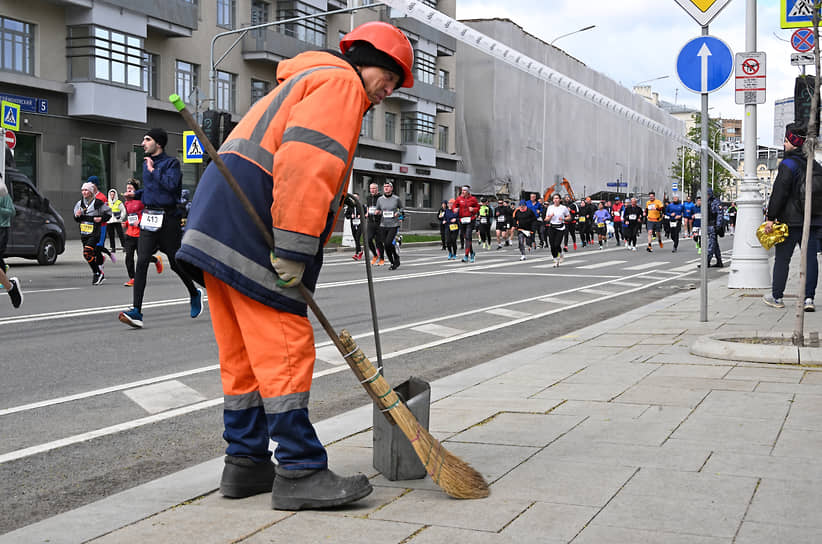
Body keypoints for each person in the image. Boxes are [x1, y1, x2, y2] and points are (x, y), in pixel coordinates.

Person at [175, 21, 414, 509]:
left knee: (243, 356)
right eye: (388, 76)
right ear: (364, 60)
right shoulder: (341, 84)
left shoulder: (304, 80)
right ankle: (300, 471)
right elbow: (306, 166)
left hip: (217, 221)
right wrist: (295, 247)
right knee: (285, 346)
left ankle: (244, 464)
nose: (388, 91)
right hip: (255, 224)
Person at [118, 128, 203, 329]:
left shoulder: (170, 163)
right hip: (149, 218)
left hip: (168, 219)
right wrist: (136, 195)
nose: (142, 143)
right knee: (142, 261)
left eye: (147, 140)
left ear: (159, 144)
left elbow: (172, 186)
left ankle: (193, 293)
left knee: (175, 262)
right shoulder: (147, 164)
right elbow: (151, 191)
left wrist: (153, 171)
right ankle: (136, 311)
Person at [763, 123, 821, 311]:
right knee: (810, 259)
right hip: (811, 221)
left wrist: (771, 217)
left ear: (793, 143)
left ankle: (777, 297)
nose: (784, 144)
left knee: (782, 259)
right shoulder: (815, 164)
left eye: (786, 141)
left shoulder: (787, 164)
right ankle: (809, 299)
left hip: (789, 221)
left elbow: (779, 192)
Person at [121, 179, 163, 286]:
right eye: (127, 189)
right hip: (130, 233)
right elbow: (131, 215)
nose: (128, 191)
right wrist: (126, 223)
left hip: (141, 232)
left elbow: (147, 213)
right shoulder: (126, 202)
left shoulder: (142, 200)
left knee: (142, 257)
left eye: (130, 188)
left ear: (135, 190)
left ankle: (156, 260)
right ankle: (133, 278)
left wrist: (139, 222)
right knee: (128, 257)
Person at [74, 182, 111, 285]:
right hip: (84, 232)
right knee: (88, 255)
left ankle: (97, 273)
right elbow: (76, 219)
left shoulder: (98, 203)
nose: (84, 192)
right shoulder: (79, 204)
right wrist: (77, 216)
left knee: (87, 252)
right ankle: (98, 272)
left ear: (91, 191)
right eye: (83, 190)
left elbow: (108, 214)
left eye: (86, 190)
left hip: (95, 232)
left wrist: (101, 218)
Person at [0, 178, 22, 308]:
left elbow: (12, 211)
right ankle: (10, 286)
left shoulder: (2, 191)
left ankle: (10, 287)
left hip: (1, 229)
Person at [375, 181, 402, 270]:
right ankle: (394, 260)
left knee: (388, 242)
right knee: (386, 245)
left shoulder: (396, 199)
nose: (386, 188)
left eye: (388, 186)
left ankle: (394, 262)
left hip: (393, 224)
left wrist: (398, 213)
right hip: (383, 224)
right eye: (384, 186)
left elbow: (402, 209)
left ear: (391, 188)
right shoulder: (380, 199)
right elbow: (377, 209)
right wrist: (377, 212)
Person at [701, 187, 725, 268]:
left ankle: (707, 261)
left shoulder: (716, 202)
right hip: (708, 225)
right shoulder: (706, 202)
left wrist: (718, 225)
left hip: (713, 225)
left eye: (707, 194)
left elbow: (720, 214)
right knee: (715, 244)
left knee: (711, 244)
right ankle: (719, 261)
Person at [454, 185, 479, 262]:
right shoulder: (459, 199)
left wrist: (473, 209)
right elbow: (455, 205)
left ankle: (466, 256)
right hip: (462, 220)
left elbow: (478, 207)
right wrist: (454, 209)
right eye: (462, 190)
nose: (463, 192)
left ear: (467, 191)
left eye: (464, 190)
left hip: (470, 220)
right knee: (465, 237)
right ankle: (471, 253)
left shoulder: (473, 199)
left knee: (468, 236)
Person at [544, 193, 570, 266]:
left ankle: (561, 253)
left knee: (557, 244)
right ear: (553, 200)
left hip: (560, 228)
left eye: (557, 198)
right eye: (554, 198)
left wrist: (564, 218)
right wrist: (550, 217)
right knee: (552, 245)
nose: (556, 200)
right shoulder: (550, 208)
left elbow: (569, 217)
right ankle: (555, 259)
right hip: (552, 227)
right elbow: (546, 219)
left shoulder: (563, 208)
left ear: (560, 200)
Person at [364, 182, 384, 265]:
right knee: (368, 239)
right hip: (370, 222)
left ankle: (382, 258)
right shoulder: (368, 197)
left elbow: (385, 208)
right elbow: (368, 207)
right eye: (371, 188)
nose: (372, 190)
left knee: (378, 242)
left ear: (377, 189)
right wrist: (367, 213)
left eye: (374, 188)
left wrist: (380, 212)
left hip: (379, 222)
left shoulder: (381, 198)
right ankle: (375, 255)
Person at [344, 194, 363, 261]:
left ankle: (357, 253)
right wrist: (350, 216)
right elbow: (346, 216)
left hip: (360, 224)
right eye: (353, 198)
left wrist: (360, 215)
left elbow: (366, 213)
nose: (355, 199)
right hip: (353, 224)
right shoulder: (350, 207)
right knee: (355, 238)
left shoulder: (361, 206)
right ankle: (359, 251)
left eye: (356, 198)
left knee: (357, 238)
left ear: (358, 198)